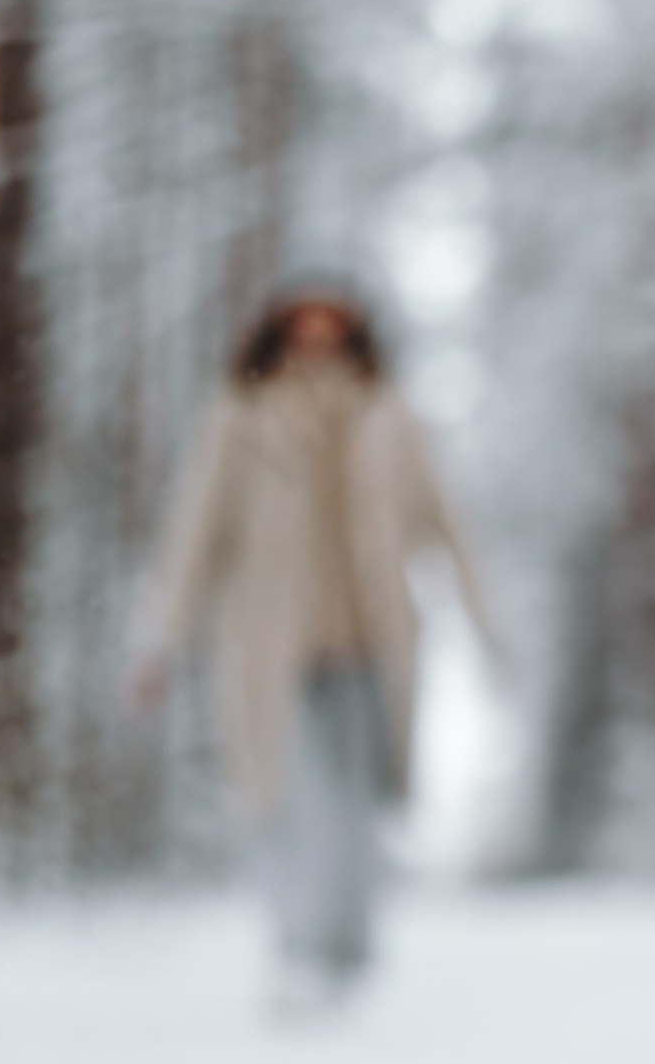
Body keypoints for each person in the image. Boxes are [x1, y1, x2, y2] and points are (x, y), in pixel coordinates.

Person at [130, 287, 493, 1009]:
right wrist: (163, 639)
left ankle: (347, 952)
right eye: (305, 323)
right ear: (279, 331)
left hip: (368, 640)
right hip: (271, 643)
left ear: (354, 332)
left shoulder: (389, 417)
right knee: (287, 801)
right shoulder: (240, 416)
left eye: (333, 323)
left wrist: (481, 613)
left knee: (356, 807)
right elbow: (197, 532)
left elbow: (443, 518)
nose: (318, 337)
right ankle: (297, 948)